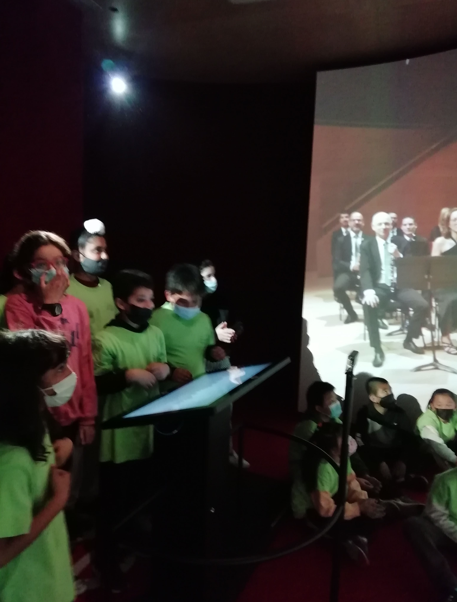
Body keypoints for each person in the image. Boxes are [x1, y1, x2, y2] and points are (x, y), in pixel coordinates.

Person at [4, 231, 97, 528]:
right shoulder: (17, 305)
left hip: (73, 412)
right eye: (43, 264)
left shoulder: (78, 306)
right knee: (41, 486)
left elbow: (85, 361)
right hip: (39, 414)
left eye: (60, 262)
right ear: (24, 271)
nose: (55, 270)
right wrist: (50, 306)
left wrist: (88, 416)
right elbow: (38, 356)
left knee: (69, 481)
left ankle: (68, 529)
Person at [93, 269, 170, 590]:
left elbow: (163, 364)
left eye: (151, 299)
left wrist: (165, 369)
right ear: (122, 303)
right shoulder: (105, 338)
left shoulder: (155, 333)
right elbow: (96, 383)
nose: (149, 305)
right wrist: (126, 376)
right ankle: (106, 561)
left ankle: (133, 545)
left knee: (141, 496)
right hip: (120, 434)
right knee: (114, 502)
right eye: (141, 300)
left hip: (149, 430)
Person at [0, 329, 75, 602]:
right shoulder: (11, 462)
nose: (70, 375)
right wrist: (58, 501)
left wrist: (60, 452)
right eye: (59, 369)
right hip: (25, 590)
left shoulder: (35, 429)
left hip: (50, 576)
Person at [290, 381, 380, 520]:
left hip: (331, 466)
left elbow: (347, 454)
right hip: (309, 470)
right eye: (331, 401)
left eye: (335, 398)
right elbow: (316, 460)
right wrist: (357, 505)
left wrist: (362, 474)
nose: (337, 403)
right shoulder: (309, 429)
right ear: (319, 408)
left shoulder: (335, 422)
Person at [300, 422, 385, 565]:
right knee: (335, 525)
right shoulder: (322, 469)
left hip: (336, 499)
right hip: (317, 510)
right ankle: (348, 541)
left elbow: (351, 482)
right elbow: (325, 509)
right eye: (344, 443)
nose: (349, 444)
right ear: (333, 451)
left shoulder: (343, 458)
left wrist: (362, 501)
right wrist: (358, 508)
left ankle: (356, 539)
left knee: (375, 514)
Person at [360, 211, 428, 366]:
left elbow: (410, 267)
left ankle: (409, 339)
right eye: (380, 224)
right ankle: (377, 348)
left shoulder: (401, 242)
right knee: (368, 305)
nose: (384, 226)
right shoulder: (367, 245)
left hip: (399, 286)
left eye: (387, 223)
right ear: (373, 227)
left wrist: (398, 256)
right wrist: (368, 291)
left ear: (391, 225)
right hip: (380, 286)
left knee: (422, 305)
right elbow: (365, 270)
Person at [150, 263, 226, 385]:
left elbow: (204, 350)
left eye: (195, 301)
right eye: (183, 302)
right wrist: (171, 372)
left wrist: (213, 353)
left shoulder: (204, 319)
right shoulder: (155, 320)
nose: (190, 307)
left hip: (200, 386)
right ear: (168, 295)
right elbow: (146, 361)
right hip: (169, 391)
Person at [356, 377, 424, 494]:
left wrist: (402, 461)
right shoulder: (364, 414)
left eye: (390, 390)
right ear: (373, 398)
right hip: (374, 452)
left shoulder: (399, 412)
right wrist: (379, 462)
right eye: (385, 392)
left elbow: (409, 439)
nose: (390, 394)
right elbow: (362, 442)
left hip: (394, 451)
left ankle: (404, 478)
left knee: (418, 448)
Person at [404, 468, 457, 602]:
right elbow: (436, 516)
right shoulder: (444, 480)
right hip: (445, 530)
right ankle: (450, 587)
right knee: (415, 525)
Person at [67, 218, 117, 339]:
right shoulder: (67, 289)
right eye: (97, 250)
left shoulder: (108, 286)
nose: (105, 256)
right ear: (77, 256)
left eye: (105, 250)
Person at [332, 211, 366, 324]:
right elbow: (337, 261)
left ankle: (372, 315)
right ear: (349, 223)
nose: (356, 222)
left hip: (365, 272)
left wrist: (363, 266)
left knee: (371, 288)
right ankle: (352, 314)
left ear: (363, 223)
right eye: (353, 220)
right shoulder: (341, 240)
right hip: (348, 272)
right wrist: (352, 266)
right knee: (338, 288)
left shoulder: (369, 239)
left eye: (359, 220)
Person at [431, 207, 457, 354]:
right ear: (448, 223)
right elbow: (434, 268)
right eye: (455, 219)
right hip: (444, 284)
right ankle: (445, 338)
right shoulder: (440, 242)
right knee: (451, 299)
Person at [200, 259, 239, 344]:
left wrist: (232, 333)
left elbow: (237, 324)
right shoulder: (188, 306)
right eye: (208, 276)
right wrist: (214, 336)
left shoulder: (221, 301)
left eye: (214, 275)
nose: (214, 280)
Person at [417, 389, 457, 471]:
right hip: (427, 452)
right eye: (439, 405)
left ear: (455, 406)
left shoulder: (454, 416)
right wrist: (454, 459)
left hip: (448, 447)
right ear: (432, 406)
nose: (444, 408)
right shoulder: (427, 420)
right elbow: (436, 443)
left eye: (448, 405)